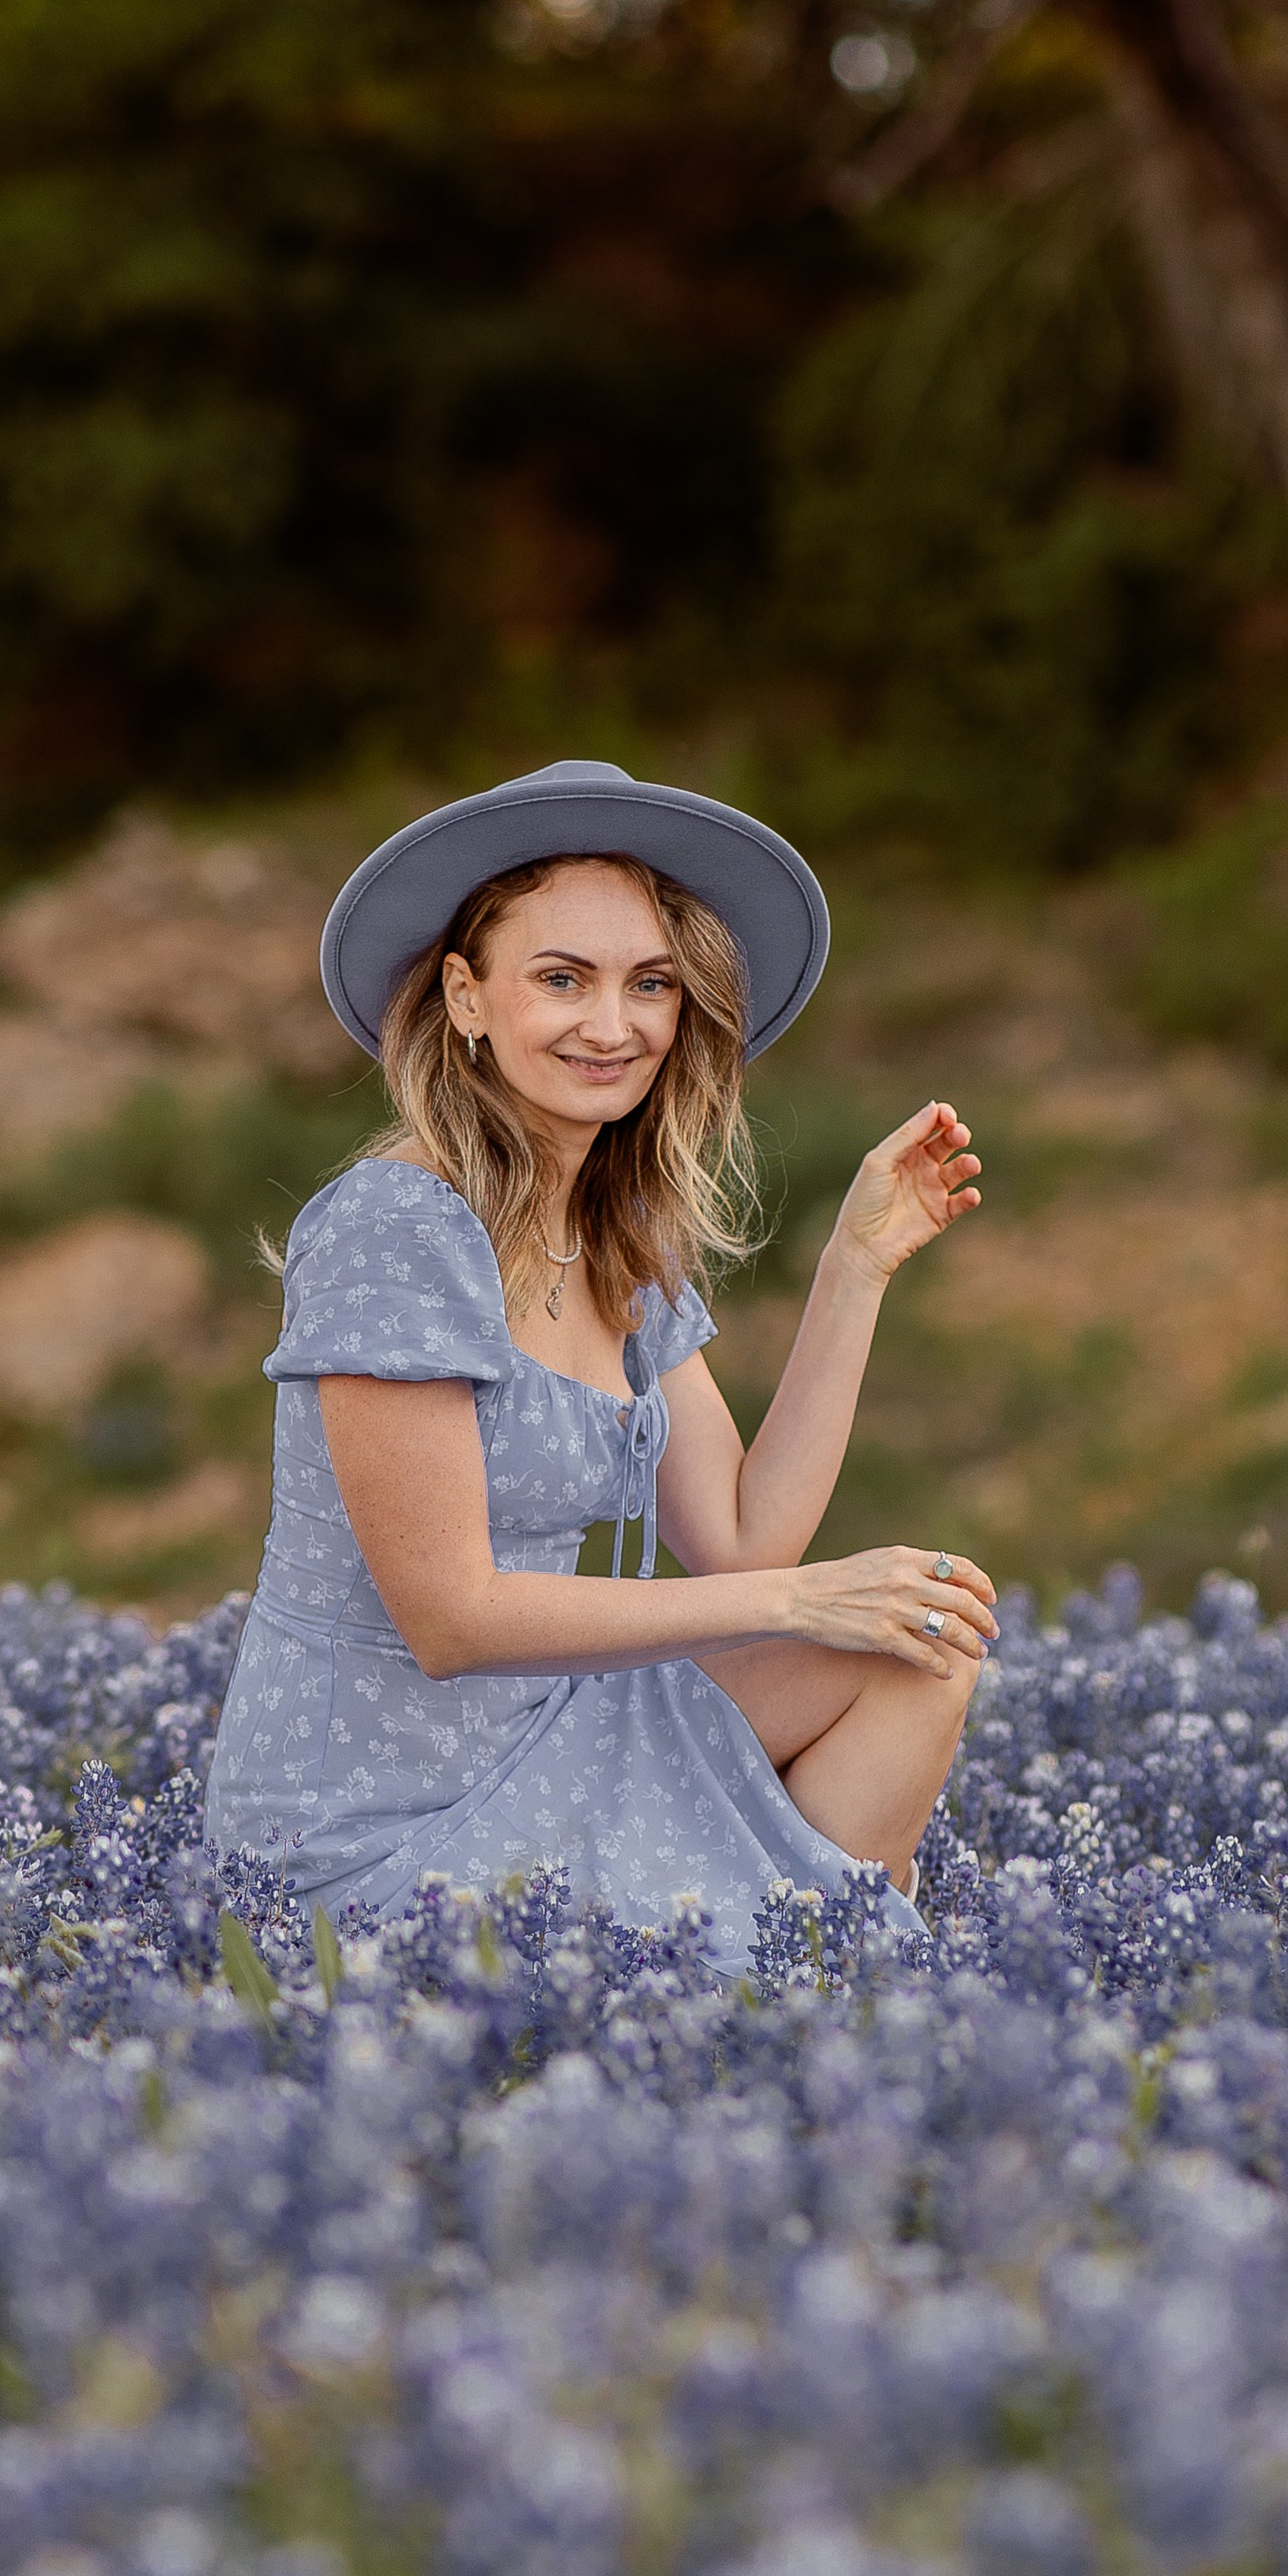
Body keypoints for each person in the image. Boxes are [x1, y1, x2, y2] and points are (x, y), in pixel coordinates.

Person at [203, 759, 996, 1967]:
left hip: (556, 1732)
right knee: (839, 1636)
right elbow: (453, 1619)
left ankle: (821, 1982)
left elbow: (740, 1540)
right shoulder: (396, 1227)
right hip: (373, 1824)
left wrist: (856, 1267)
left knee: (917, 1646)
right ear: (466, 996)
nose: (613, 1025)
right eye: (561, 979)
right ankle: (782, 1991)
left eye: (650, 984)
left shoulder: (617, 1237)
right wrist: (800, 1601)